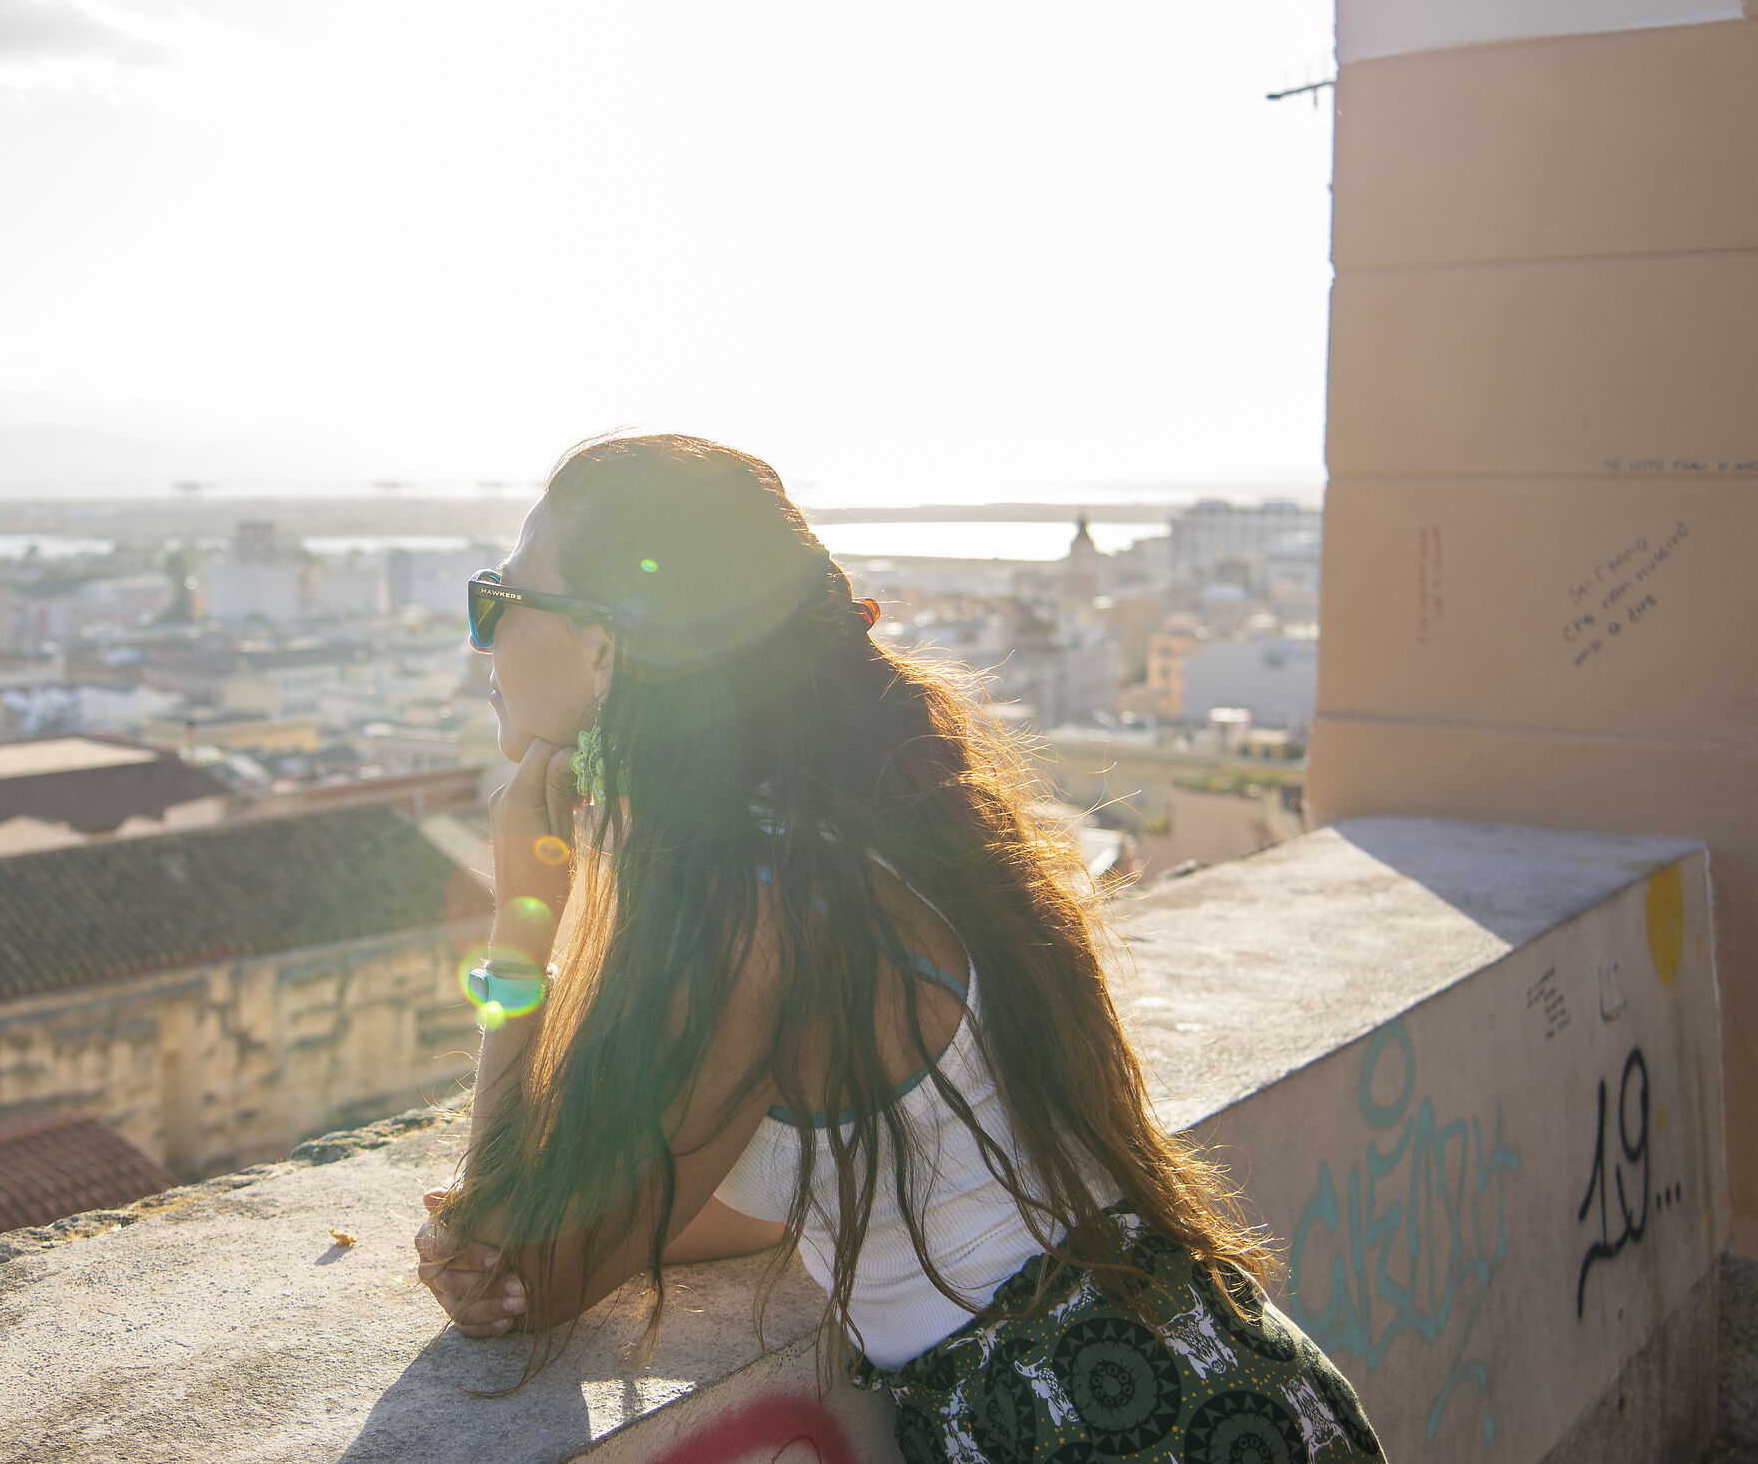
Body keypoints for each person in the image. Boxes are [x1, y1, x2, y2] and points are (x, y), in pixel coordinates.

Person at [415, 435, 1380, 1463]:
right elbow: (771, 1195)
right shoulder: (849, 838)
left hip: (1087, 1423)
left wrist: (525, 909)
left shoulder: (760, 905)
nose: (483, 642)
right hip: (1198, 1383)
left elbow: (518, 1267)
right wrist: (564, 1213)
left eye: (497, 601)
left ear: (606, 649)